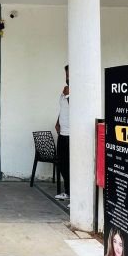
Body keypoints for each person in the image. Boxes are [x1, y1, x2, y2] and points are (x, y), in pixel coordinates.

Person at [55, 65, 70, 202]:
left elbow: (78, 109)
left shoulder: (80, 90)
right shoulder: (65, 90)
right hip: (63, 134)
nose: (67, 77)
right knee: (62, 164)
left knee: (72, 165)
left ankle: (76, 196)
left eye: (69, 74)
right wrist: (57, 121)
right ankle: (68, 192)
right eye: (66, 74)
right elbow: (63, 109)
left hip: (72, 135)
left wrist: (69, 95)